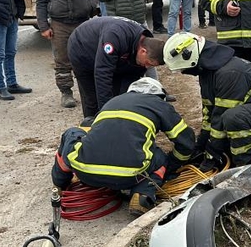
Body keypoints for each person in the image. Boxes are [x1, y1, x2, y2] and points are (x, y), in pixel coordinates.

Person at [51, 77, 194, 215]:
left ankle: (59, 184)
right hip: (131, 177)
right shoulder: (159, 104)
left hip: (85, 173)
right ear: (159, 95)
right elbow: (186, 142)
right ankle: (143, 195)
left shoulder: (113, 102)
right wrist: (173, 164)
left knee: (70, 134)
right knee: (160, 157)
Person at [163, 33, 251, 169]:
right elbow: (209, 111)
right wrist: (201, 145)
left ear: (190, 57)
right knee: (229, 132)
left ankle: (246, 166)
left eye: (183, 68)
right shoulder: (208, 71)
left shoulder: (229, 73)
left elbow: (221, 116)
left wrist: (212, 154)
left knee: (232, 120)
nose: (183, 72)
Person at [36, 0, 98, 109]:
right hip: (60, 24)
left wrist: (90, 5)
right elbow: (41, 1)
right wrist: (43, 26)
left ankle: (88, 91)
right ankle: (66, 92)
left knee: (87, 58)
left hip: (83, 22)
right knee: (62, 60)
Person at [67, 16, 165, 119]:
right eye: (148, 63)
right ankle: (92, 127)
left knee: (119, 95)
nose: (146, 67)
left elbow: (131, 79)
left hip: (112, 53)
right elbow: (102, 75)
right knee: (92, 98)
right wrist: (107, 114)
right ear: (143, 51)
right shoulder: (115, 36)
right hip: (82, 48)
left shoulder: (146, 44)